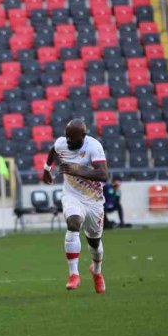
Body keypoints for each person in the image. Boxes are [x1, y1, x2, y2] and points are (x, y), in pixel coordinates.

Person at [42, 119, 110, 294]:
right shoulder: (61, 143)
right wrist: (46, 169)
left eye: (74, 139)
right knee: (73, 223)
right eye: (67, 138)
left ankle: (96, 271)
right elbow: (53, 151)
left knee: (94, 242)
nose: (69, 142)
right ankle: (74, 274)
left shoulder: (93, 147)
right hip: (72, 196)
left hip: (94, 201)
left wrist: (76, 169)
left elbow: (103, 175)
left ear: (83, 136)